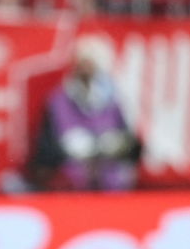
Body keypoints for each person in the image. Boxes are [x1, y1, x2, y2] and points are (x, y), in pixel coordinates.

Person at [27, 37, 141, 191]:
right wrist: (65, 149)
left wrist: (115, 145)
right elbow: (43, 151)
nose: (86, 71)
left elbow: (132, 148)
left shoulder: (115, 99)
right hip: (70, 186)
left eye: (91, 65)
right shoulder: (57, 101)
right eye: (82, 65)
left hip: (111, 186)